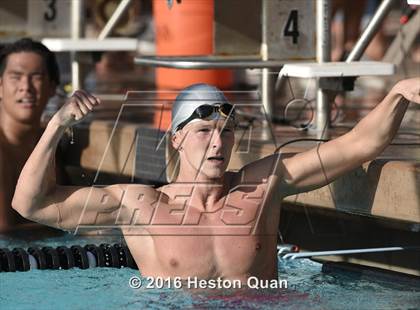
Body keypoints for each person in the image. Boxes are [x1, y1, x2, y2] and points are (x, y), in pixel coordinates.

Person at [12, 80, 420, 282]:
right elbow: (30, 204)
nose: (218, 142)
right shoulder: (139, 205)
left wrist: (399, 92)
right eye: (204, 131)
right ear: (176, 139)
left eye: (226, 131)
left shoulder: (264, 184)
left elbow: (360, 144)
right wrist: (57, 124)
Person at [0, 38, 63, 233]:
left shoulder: (51, 143)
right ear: (0, 86)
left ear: (52, 87)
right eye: (16, 77)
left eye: (36, 77)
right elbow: (4, 231)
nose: (25, 87)